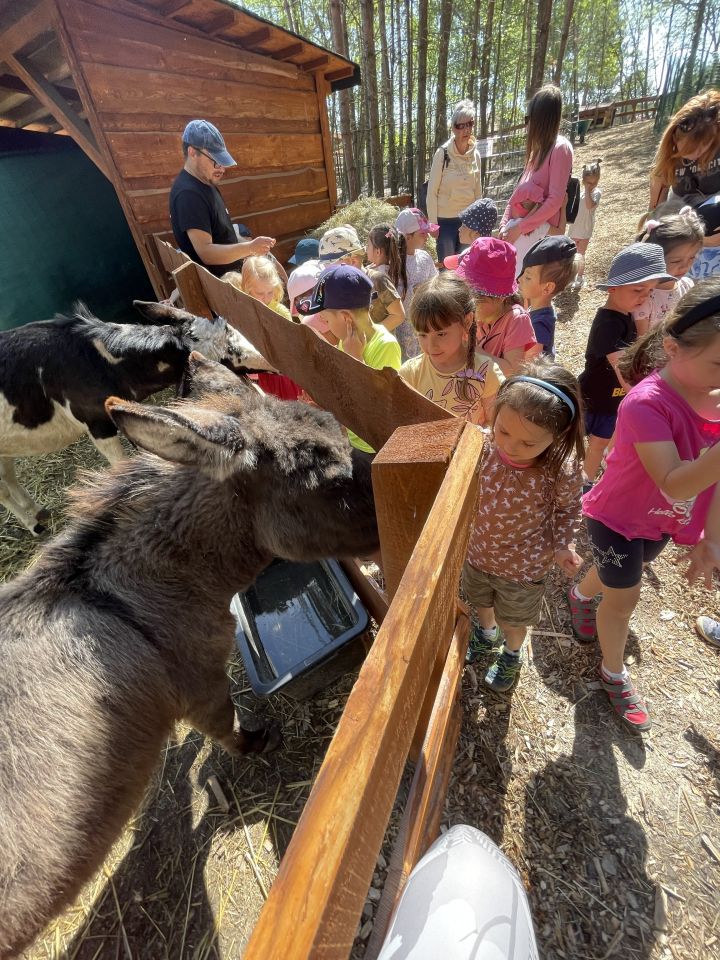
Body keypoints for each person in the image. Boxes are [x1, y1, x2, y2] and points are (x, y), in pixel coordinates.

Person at [567, 280, 720, 732]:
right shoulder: (646, 404)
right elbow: (674, 482)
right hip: (616, 518)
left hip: (658, 523)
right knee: (625, 597)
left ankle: (580, 594)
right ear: (672, 348)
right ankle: (613, 671)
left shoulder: (713, 398)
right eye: (718, 363)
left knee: (622, 570)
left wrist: (711, 537)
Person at [463, 361, 584, 692]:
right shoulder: (480, 444)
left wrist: (564, 546)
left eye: (529, 443)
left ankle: (512, 652)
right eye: (503, 430)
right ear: (495, 412)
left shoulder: (560, 469)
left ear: (557, 437)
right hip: (477, 551)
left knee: (514, 619)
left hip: (523, 565)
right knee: (480, 599)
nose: (510, 446)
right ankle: (486, 634)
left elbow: (568, 508)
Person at [579, 242, 673, 483]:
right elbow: (622, 366)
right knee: (580, 440)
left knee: (599, 443)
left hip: (615, 399)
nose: (644, 298)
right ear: (613, 288)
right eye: (637, 290)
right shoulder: (608, 323)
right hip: (595, 397)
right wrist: (644, 399)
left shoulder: (629, 315)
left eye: (649, 292)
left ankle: (586, 482)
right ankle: (572, 482)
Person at [297, 264, 401, 453]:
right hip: (354, 439)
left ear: (346, 318)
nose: (326, 326)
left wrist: (355, 360)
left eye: (326, 320)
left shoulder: (385, 346)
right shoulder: (345, 341)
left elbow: (378, 407)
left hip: (375, 448)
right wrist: (323, 403)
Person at [169, 119, 274, 276]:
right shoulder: (189, 195)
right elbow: (206, 252)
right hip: (223, 285)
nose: (222, 168)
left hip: (233, 273)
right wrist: (250, 248)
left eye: (222, 162)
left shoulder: (205, 181)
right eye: (215, 161)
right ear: (192, 153)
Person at [399, 273, 503, 425]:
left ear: (467, 322)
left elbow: (495, 426)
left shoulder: (486, 373)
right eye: (423, 335)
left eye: (441, 333)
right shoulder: (410, 374)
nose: (431, 345)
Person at [499, 85, 574, 252]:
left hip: (539, 239)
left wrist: (521, 227)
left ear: (542, 119)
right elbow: (516, 194)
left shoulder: (560, 148)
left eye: (529, 119)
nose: (528, 125)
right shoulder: (537, 151)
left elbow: (555, 199)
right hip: (521, 234)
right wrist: (504, 224)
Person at [455, 237, 538, 376]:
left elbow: (512, 371)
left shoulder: (516, 320)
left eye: (475, 298)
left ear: (501, 297)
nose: (466, 303)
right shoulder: (474, 317)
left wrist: (472, 349)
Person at [426, 99, 483, 261]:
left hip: (468, 221)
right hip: (446, 224)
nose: (465, 130)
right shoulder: (442, 154)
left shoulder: (476, 155)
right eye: (460, 126)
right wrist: (433, 224)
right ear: (453, 128)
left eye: (469, 124)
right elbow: (431, 192)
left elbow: (478, 192)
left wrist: (477, 221)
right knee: (448, 270)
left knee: (467, 268)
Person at [633, 208, 705, 335]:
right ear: (654, 258)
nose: (685, 266)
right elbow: (641, 343)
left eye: (692, 257)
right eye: (676, 261)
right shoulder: (644, 297)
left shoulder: (687, 285)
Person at [649, 90, 720, 212]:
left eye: (702, 147)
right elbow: (656, 204)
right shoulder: (668, 150)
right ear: (674, 138)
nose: (694, 155)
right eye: (687, 149)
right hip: (680, 203)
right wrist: (653, 220)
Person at [518, 235, 577, 357]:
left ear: (547, 288)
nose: (519, 279)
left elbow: (527, 367)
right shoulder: (539, 311)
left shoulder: (538, 326)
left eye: (527, 277)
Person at [366, 224, 417, 360]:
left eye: (367, 245)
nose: (365, 249)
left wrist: (372, 332)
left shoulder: (379, 277)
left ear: (378, 252)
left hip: (385, 342)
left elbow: (398, 316)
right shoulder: (394, 268)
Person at [502, 181, 550, 277]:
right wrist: (563, 207)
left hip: (509, 275)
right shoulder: (540, 226)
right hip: (527, 276)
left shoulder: (509, 226)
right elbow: (560, 232)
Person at [568, 158, 603, 290]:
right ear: (583, 181)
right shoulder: (581, 194)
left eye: (594, 183)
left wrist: (588, 190)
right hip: (574, 229)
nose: (591, 185)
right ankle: (571, 277)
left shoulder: (596, 193)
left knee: (581, 253)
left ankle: (580, 277)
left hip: (585, 230)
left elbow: (589, 206)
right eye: (588, 183)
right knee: (572, 253)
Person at [394, 207, 440, 307]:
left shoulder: (425, 257)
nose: (427, 237)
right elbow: (390, 296)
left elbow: (435, 281)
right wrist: (415, 290)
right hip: (404, 321)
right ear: (407, 237)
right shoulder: (393, 262)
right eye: (423, 233)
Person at [442, 198, 498, 270]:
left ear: (476, 233)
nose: (459, 229)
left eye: (464, 226)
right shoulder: (488, 254)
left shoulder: (474, 262)